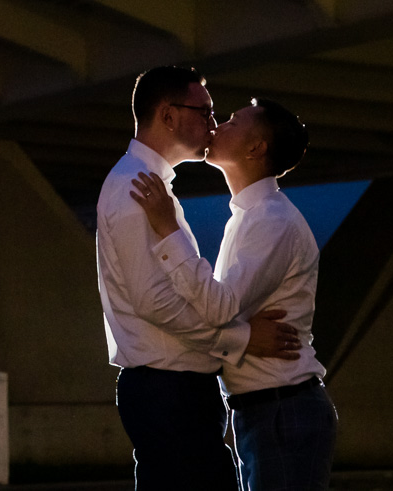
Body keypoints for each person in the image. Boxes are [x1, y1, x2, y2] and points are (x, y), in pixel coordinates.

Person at [97, 66, 301, 491]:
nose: (213, 123)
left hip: (171, 391)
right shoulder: (135, 186)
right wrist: (240, 339)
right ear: (168, 115)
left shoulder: (147, 185)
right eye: (205, 112)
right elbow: (154, 301)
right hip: (167, 390)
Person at [130, 97, 335, 491]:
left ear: (255, 148)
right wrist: (244, 335)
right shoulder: (248, 217)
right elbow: (224, 309)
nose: (216, 126)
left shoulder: (271, 222)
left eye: (231, 122)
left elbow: (218, 307)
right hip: (268, 409)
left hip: (281, 408)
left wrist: (167, 229)